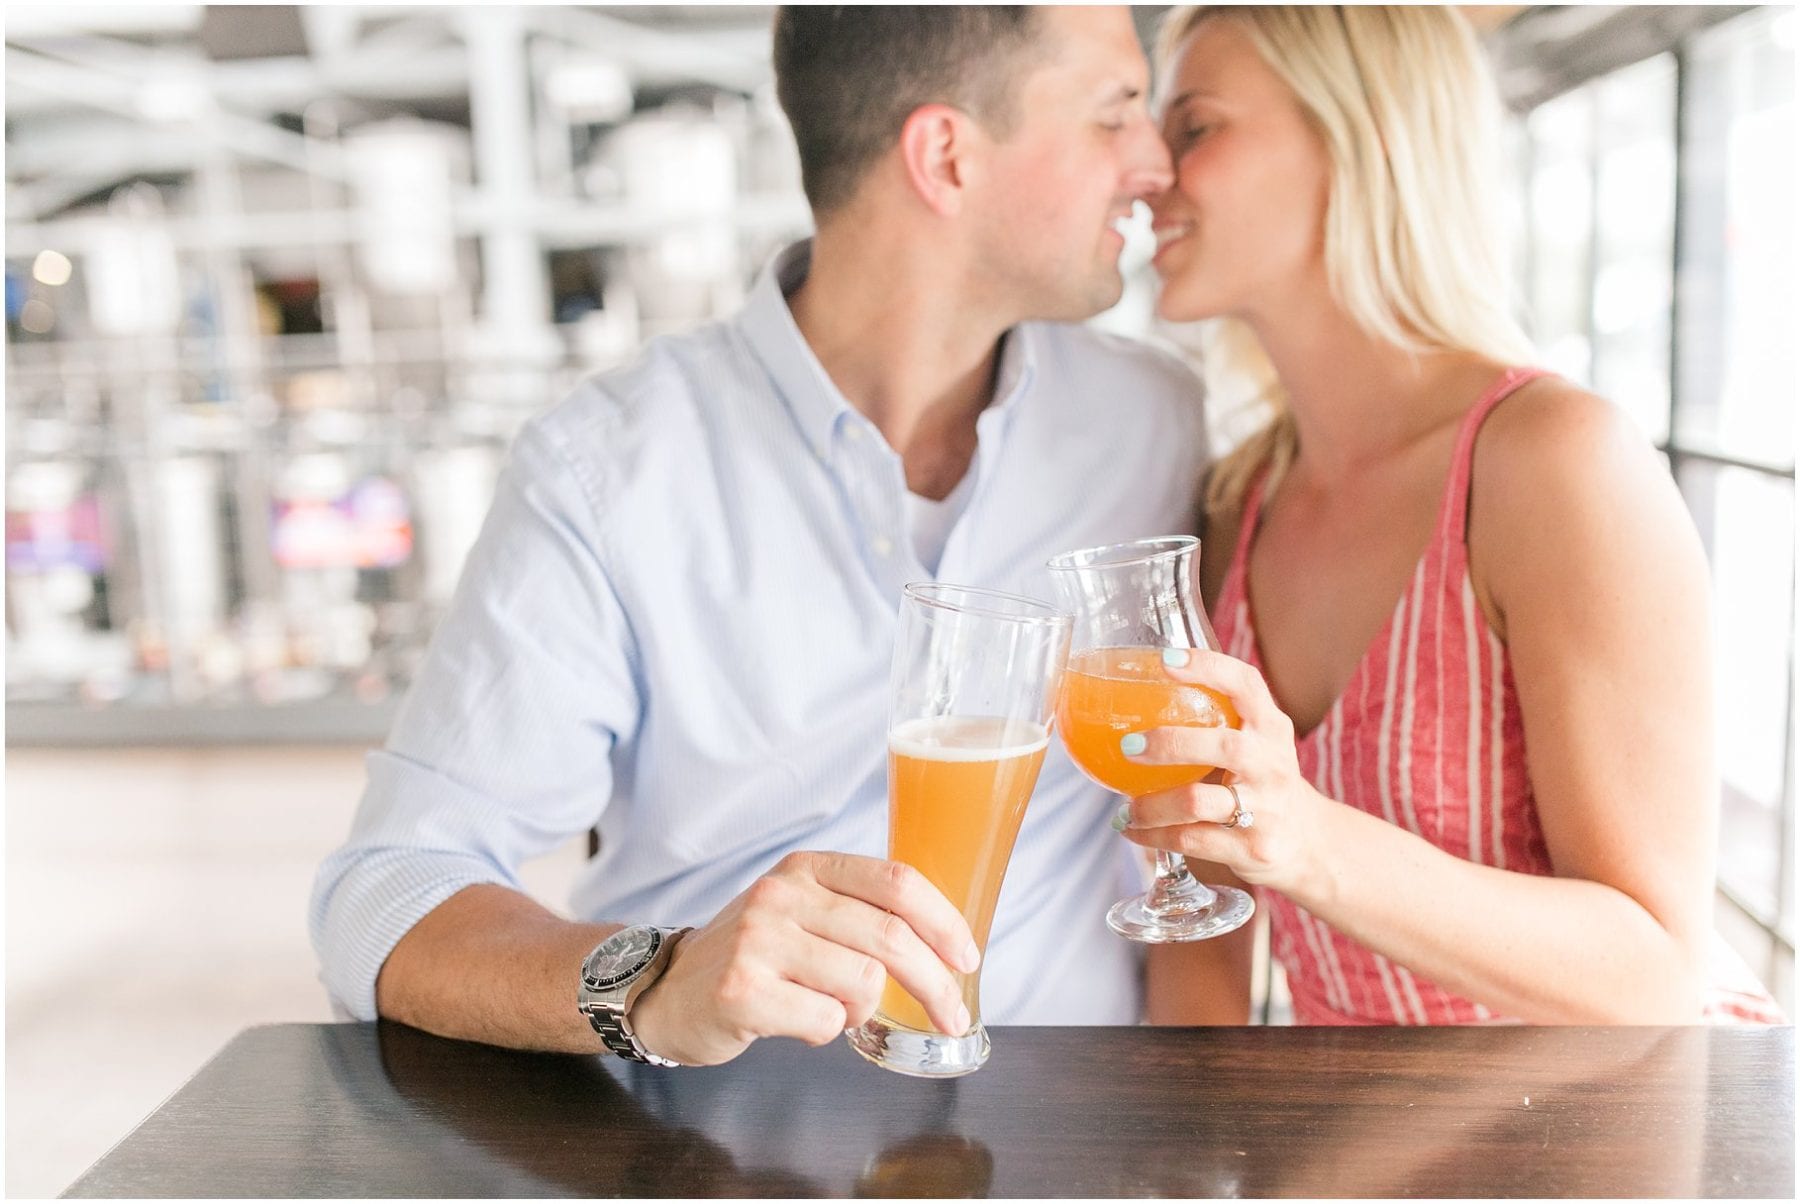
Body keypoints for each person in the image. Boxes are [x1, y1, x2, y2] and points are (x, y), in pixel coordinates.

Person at [310, 5, 1209, 1065]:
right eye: (1116, 114)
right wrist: (653, 980)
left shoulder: (1156, 422)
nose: (1158, 164)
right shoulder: (609, 469)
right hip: (718, 1148)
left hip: (1075, 1144)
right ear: (947, 157)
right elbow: (384, 893)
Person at [1124, 4, 1781, 1025]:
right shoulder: (1234, 506)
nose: (1149, 172)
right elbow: (1205, 928)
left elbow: (1656, 968)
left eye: (1196, 127)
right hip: (1368, 1156)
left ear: (1361, 141)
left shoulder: (1555, 463)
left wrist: (1305, 839)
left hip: (1613, 1150)